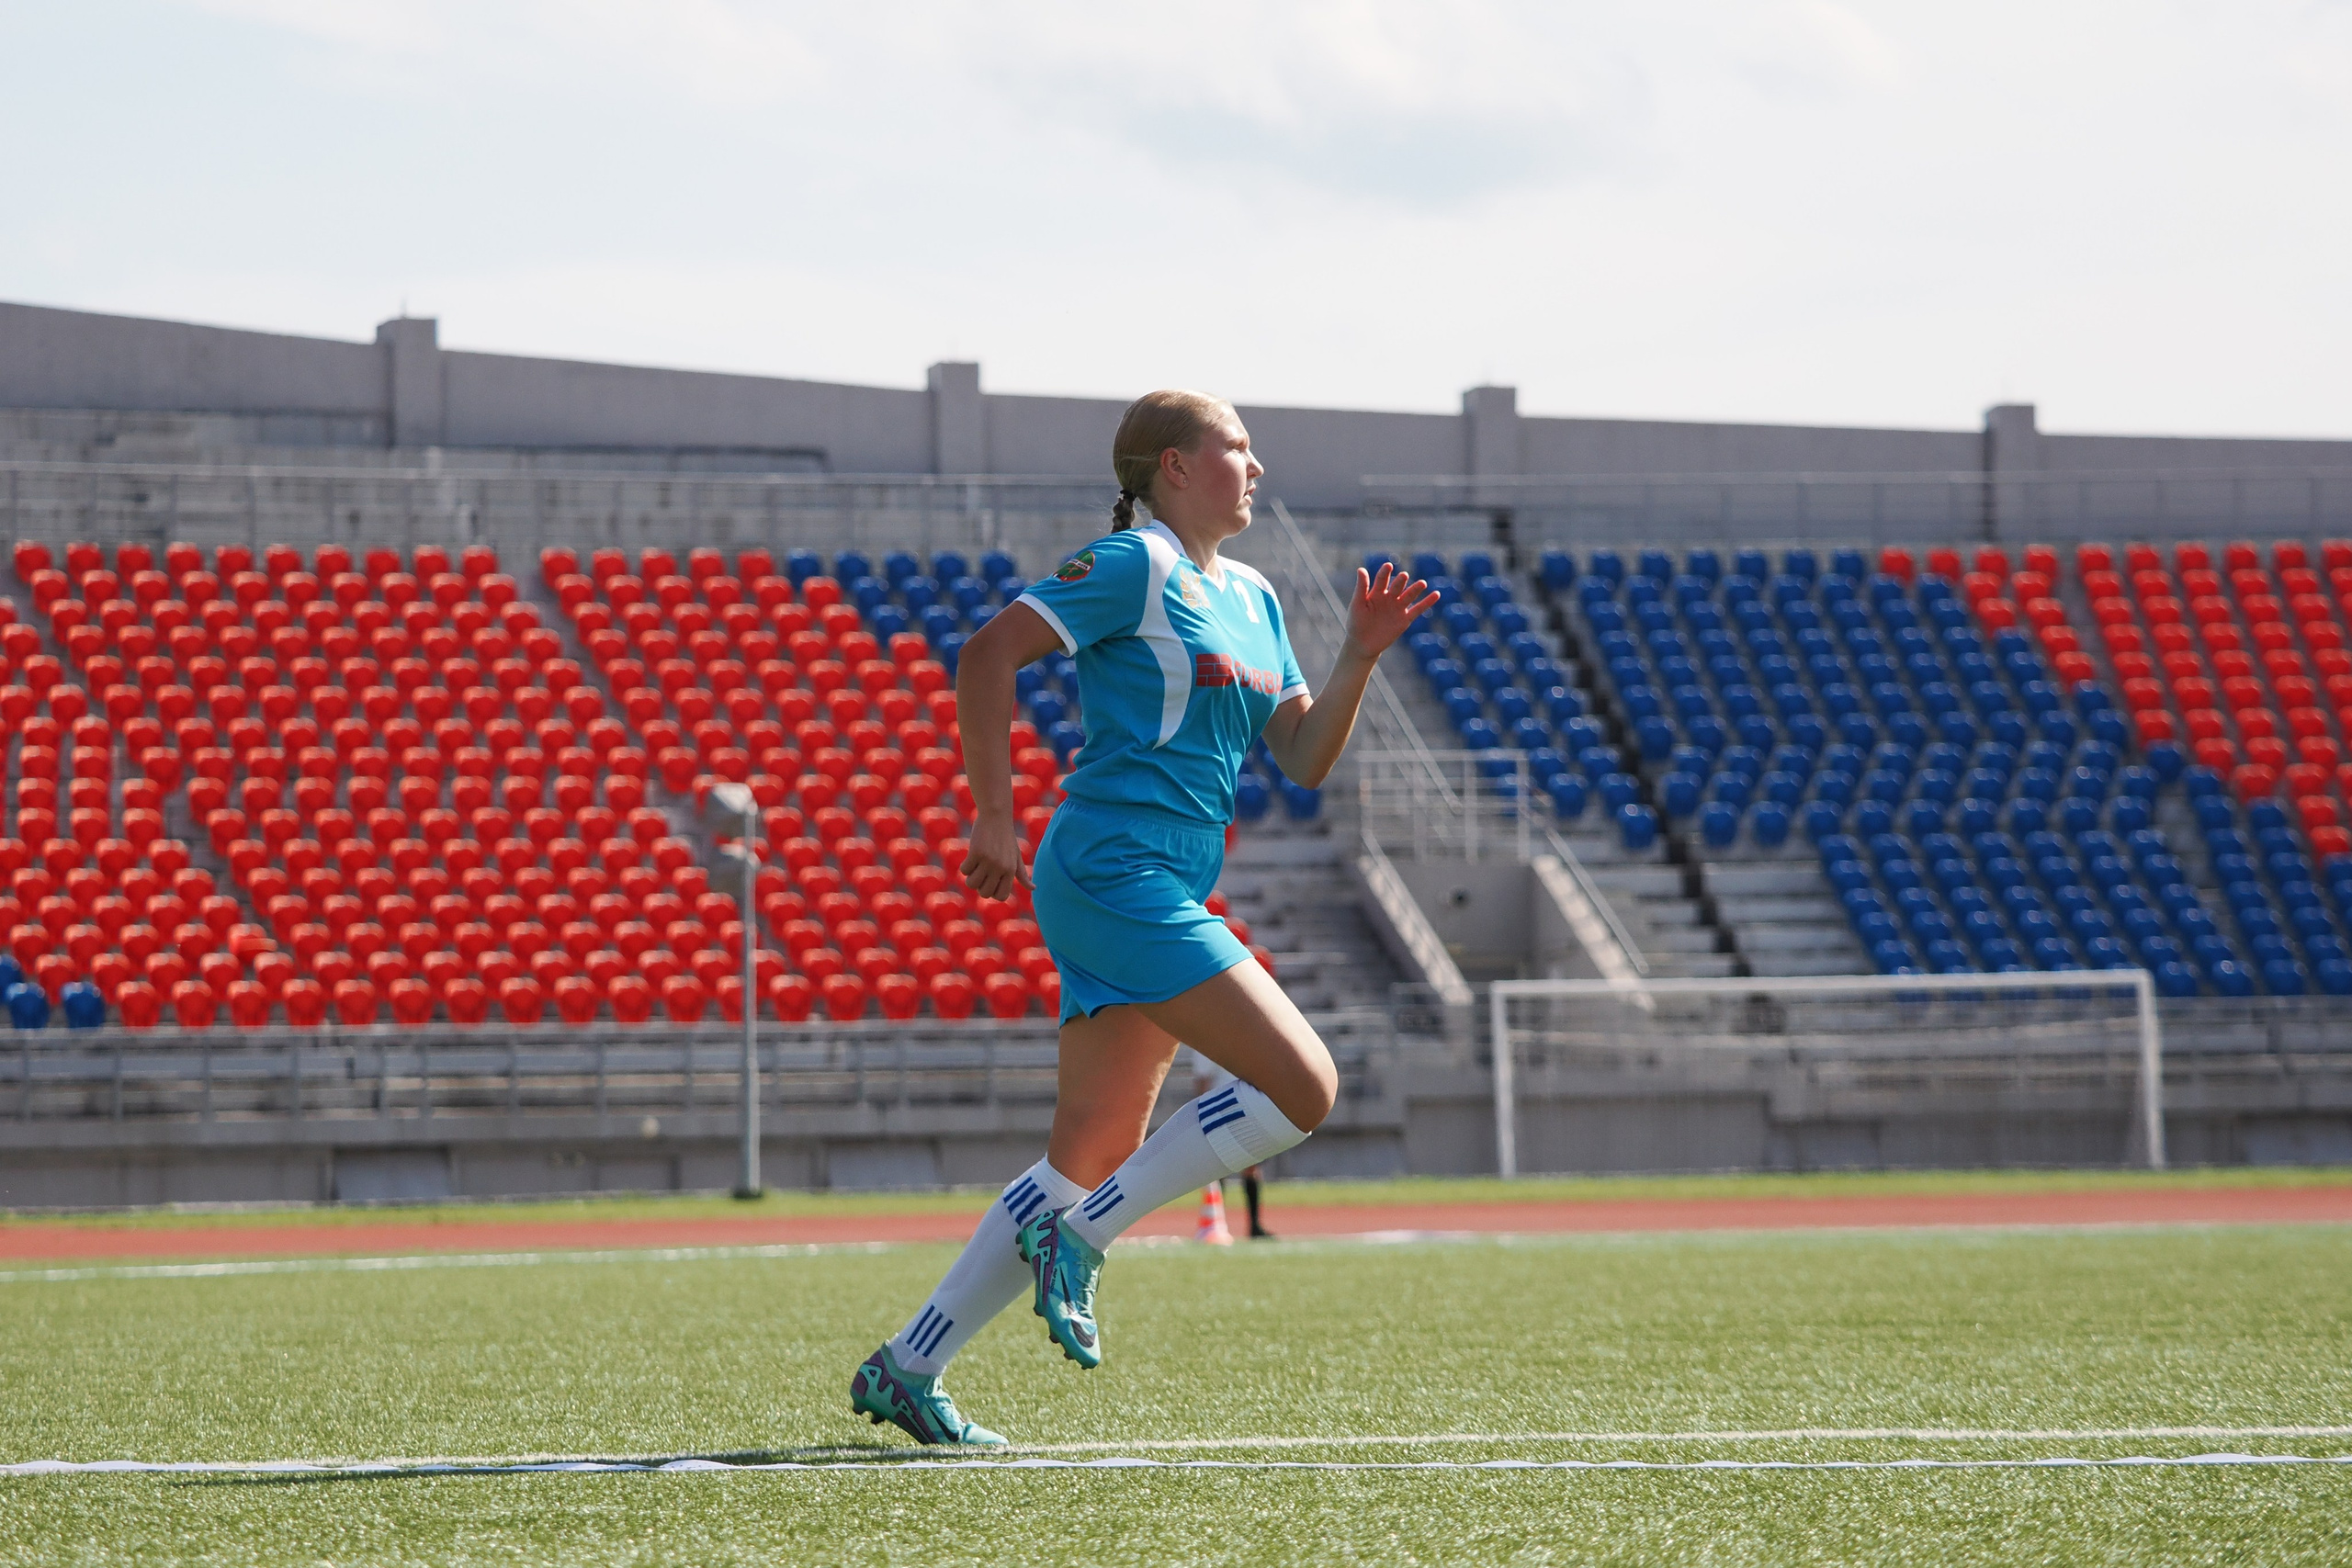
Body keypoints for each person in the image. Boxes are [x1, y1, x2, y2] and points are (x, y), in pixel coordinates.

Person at [850, 389, 1436, 1446]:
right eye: (1236, 449)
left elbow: (1302, 760)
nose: (1257, 467)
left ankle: (908, 1365)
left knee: (1087, 1147)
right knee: (1301, 1085)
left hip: (1161, 881)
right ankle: (1082, 1241)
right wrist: (995, 815)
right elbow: (984, 657)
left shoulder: (1253, 593)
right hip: (1111, 872)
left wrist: (1359, 654)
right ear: (1172, 466)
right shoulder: (1135, 564)